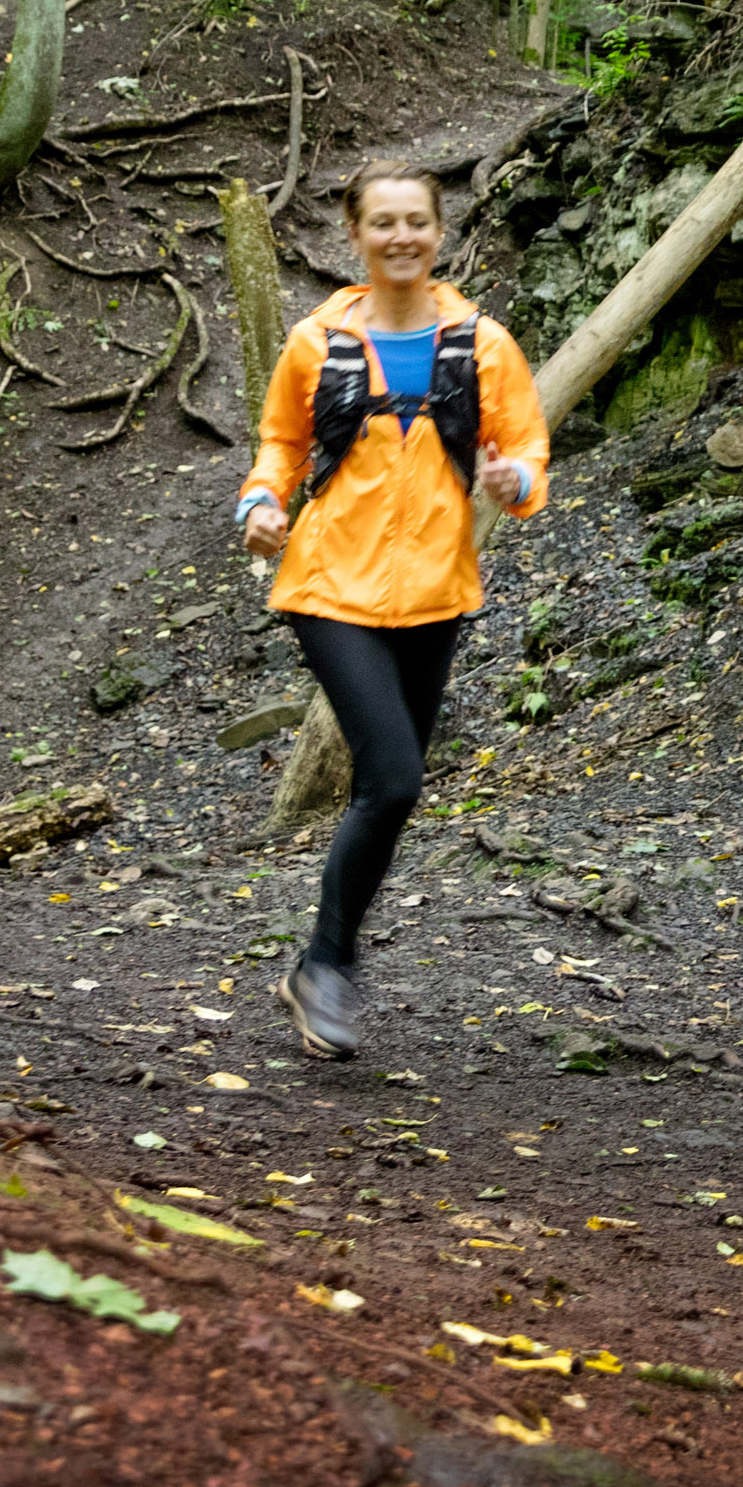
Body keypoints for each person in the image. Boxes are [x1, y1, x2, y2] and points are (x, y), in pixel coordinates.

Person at [238, 163, 547, 1059]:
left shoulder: (483, 344)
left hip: (437, 591)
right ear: (356, 235)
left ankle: (318, 967)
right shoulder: (315, 342)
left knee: (386, 790)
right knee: (398, 779)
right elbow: (280, 446)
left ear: (439, 233)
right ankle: (328, 966)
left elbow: (527, 449)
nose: (401, 236)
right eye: (383, 222)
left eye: (417, 221)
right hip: (328, 586)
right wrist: (259, 504)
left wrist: (513, 481)